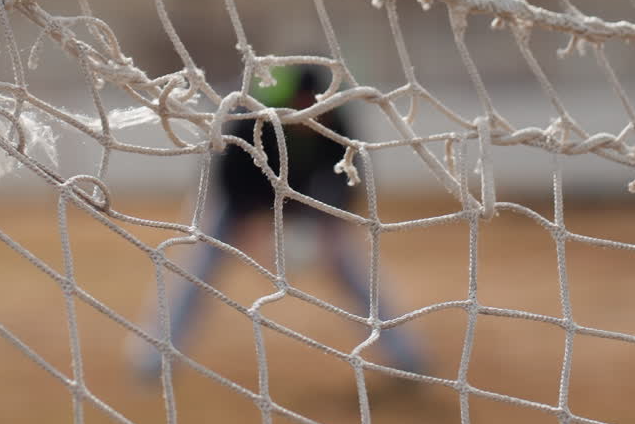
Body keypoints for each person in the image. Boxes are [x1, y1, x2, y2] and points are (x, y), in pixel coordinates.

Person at [132, 64, 425, 380]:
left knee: (351, 266)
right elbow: (230, 183)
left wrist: (327, 225)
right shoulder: (251, 123)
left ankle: (405, 357)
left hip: (303, 197)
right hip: (240, 201)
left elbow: (349, 180)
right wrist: (255, 232)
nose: (308, 114)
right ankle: (154, 357)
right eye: (301, 105)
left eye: (315, 107)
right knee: (196, 267)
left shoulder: (337, 123)